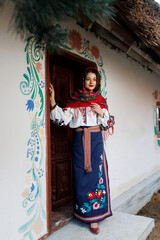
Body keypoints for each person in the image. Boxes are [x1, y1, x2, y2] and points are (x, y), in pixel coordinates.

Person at [49, 67, 114, 234]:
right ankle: (82, 212)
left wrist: (101, 113)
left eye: (94, 79)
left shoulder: (101, 101)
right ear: (83, 81)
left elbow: (107, 123)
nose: (91, 82)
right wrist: (53, 101)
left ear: (97, 82)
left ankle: (95, 217)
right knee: (80, 174)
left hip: (95, 141)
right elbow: (62, 120)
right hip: (79, 141)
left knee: (95, 175)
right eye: (88, 79)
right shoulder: (75, 100)